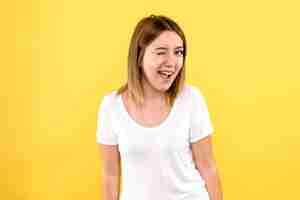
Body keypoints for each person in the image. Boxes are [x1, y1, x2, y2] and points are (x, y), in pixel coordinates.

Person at [96, 14, 223, 200]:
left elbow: (207, 166)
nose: (172, 62)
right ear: (139, 56)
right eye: (161, 52)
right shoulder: (111, 106)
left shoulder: (191, 99)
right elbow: (110, 175)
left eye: (178, 52)